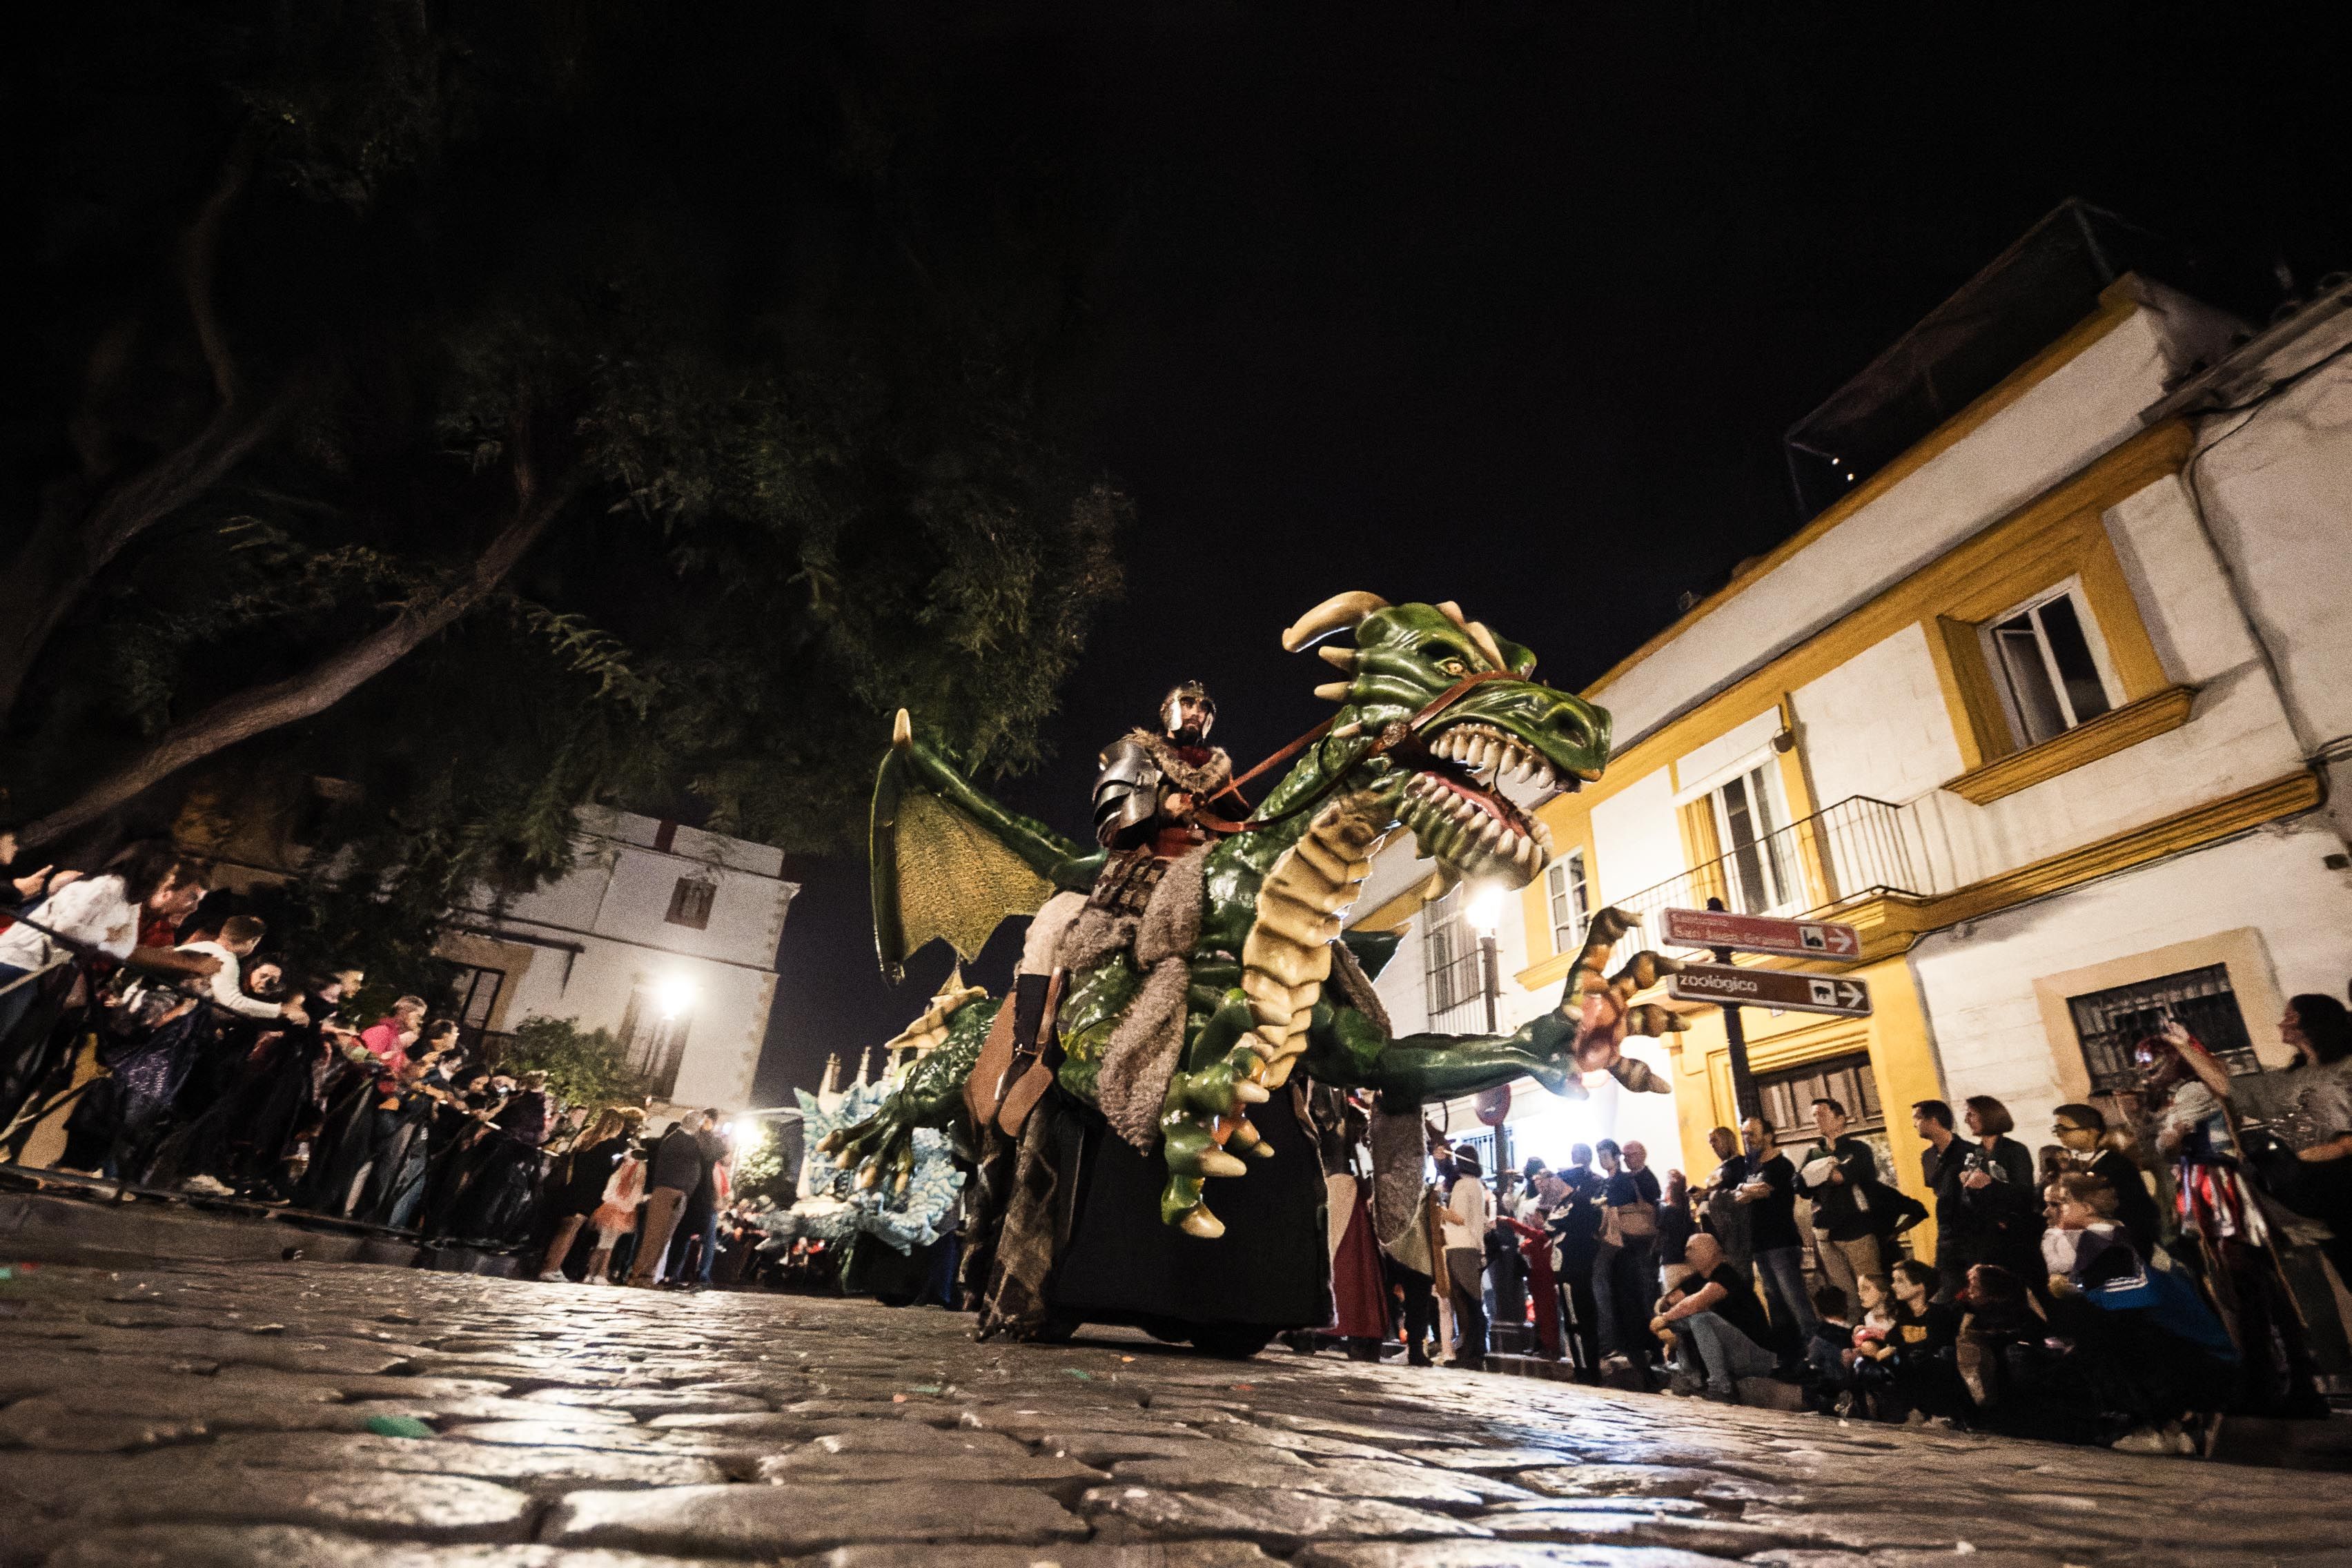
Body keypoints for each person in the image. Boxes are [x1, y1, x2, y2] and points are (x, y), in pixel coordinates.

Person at [1652, 1232, 1780, 1403]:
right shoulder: (1698, 1280)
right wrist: (1667, 1316)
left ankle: (1722, 1388)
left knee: (1699, 1318)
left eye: (1691, 1249)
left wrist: (1665, 1318)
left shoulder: (1726, 1275)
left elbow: (1695, 1304)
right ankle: (1690, 1376)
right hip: (1734, 1354)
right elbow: (1667, 1303)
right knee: (1680, 1320)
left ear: (1710, 1251)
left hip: (1756, 1356)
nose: (1686, 1254)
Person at [1795, 1097, 1890, 1302]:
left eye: (1822, 1114)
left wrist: (1816, 1175)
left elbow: (1844, 1177)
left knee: (1872, 1290)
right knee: (1844, 1295)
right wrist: (1824, 1173)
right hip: (1825, 1232)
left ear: (1841, 1119)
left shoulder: (1858, 1149)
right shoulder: (1814, 1153)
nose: (1816, 1119)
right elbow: (1800, 1187)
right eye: (1814, 1116)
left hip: (1857, 1230)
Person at [1735, 1115, 1816, 1340]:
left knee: (1795, 1298)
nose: (1747, 1138)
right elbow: (1739, 1196)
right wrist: (1745, 1190)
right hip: (1759, 1244)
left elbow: (1764, 1189)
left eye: (1752, 1133)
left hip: (1781, 1243)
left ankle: (1816, 1347)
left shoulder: (1782, 1165)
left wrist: (1744, 1190)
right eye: (1744, 1134)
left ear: (1768, 1136)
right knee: (1774, 1301)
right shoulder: (1750, 1167)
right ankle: (1789, 1349)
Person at [2048, 1103, 2162, 1258]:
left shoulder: (2116, 1164)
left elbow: (2137, 1208)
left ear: (2092, 1132)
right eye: (2056, 1130)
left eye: (2064, 1129)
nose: (2060, 1135)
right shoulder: (2070, 1166)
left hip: (2122, 1242)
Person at [540, 1106, 636, 1280]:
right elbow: (608, 1171)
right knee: (571, 1230)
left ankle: (552, 1265)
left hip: (572, 1187)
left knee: (564, 1228)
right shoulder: (611, 1146)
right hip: (588, 1192)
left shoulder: (586, 1137)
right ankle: (551, 1267)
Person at [1592, 1138, 1660, 1378]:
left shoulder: (1626, 1180)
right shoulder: (1606, 1182)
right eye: (1599, 1155)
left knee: (1641, 1296)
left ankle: (1652, 1348)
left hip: (1632, 1244)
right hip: (1617, 1246)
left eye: (1606, 1155)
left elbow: (1627, 1204)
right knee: (1623, 1297)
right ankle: (1628, 1345)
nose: (1602, 1160)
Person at [1955, 1095, 2042, 1283]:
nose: (1967, 1120)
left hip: (2014, 1236)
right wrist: (1966, 1187)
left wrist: (1990, 1184)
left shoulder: (2015, 1150)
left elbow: (2025, 1193)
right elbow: (1967, 1198)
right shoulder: (1973, 1155)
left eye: (1971, 1114)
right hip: (1984, 1238)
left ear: (1988, 1116)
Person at [629, 1109, 709, 1287]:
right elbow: (707, 1152)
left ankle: (648, 1275)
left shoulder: (686, 1140)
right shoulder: (679, 1139)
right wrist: (705, 1134)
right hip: (668, 1192)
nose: (702, 1127)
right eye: (700, 1123)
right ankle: (639, 1275)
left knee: (663, 1237)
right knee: (654, 1236)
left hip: (678, 1194)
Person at [1548, 1144, 1605, 1378]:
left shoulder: (1577, 1202)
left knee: (1578, 1319)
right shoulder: (1568, 1203)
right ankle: (1582, 1365)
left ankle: (1586, 1368)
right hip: (1568, 1267)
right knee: (1575, 1318)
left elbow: (1553, 1224)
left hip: (1573, 1266)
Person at [1436, 1144, 1492, 1366]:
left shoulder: (1462, 1185)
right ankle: (1473, 1348)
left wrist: (1439, 1209)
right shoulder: (1476, 1184)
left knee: (1465, 1301)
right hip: (1472, 1245)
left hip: (1459, 1244)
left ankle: (1470, 1350)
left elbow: (1458, 1217)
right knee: (1471, 1299)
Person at [665, 1108, 732, 1291]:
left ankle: (674, 1273)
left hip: (693, 1190)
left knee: (685, 1234)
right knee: (691, 1234)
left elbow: (723, 1161)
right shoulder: (702, 1139)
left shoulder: (701, 1139)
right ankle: (680, 1273)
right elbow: (723, 1162)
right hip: (698, 1192)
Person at [1914, 1099, 1971, 1299]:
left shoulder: (1969, 1152)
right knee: (1949, 1292)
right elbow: (1937, 1190)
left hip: (1971, 1233)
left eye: (1918, 1118)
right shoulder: (1927, 1157)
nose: (1914, 1124)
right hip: (1946, 1235)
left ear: (1934, 1121)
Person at [584, 1126, 649, 1284]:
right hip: (622, 1211)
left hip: (609, 1207)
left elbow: (611, 1187)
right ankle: (599, 1274)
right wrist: (645, 1198)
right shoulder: (638, 1170)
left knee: (601, 1243)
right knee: (608, 1246)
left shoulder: (621, 1167)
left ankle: (590, 1274)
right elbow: (635, 1194)